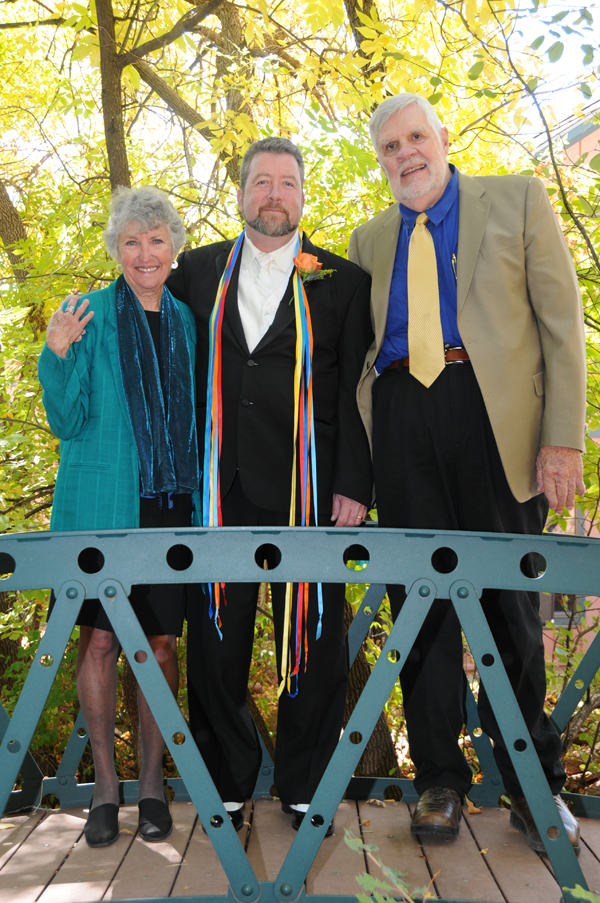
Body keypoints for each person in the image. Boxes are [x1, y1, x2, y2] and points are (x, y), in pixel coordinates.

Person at [348, 93, 586, 852]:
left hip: (494, 420)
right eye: (389, 146)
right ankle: (439, 784)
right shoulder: (367, 238)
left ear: (443, 138)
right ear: (380, 159)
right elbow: (347, 356)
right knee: (419, 613)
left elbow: (560, 320)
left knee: (511, 611)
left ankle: (530, 783)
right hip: (400, 421)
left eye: (415, 137)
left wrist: (562, 438)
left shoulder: (516, 198)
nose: (405, 153)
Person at [167, 137, 373, 832]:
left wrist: (354, 482)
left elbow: (353, 392)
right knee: (214, 636)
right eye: (261, 182)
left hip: (310, 489)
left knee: (316, 637)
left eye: (287, 182)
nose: (274, 193)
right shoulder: (193, 272)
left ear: (303, 195)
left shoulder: (343, 281)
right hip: (217, 486)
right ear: (242, 194)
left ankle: (303, 782)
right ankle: (224, 777)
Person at [39, 187, 200, 848]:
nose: (144, 253)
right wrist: (56, 352)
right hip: (101, 507)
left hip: (169, 509)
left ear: (174, 249)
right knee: (101, 642)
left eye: (156, 239)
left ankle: (154, 784)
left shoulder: (189, 321)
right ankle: (107, 786)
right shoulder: (90, 314)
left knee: (160, 644)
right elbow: (66, 419)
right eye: (131, 241)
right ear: (117, 249)